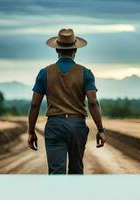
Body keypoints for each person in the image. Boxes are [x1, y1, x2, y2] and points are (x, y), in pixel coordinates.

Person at [27, 28, 107, 174]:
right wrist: (100, 129)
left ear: (57, 49)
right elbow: (93, 103)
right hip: (77, 126)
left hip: (54, 125)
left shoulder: (44, 73)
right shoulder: (86, 73)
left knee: (56, 172)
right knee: (76, 171)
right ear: (75, 49)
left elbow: (34, 104)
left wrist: (31, 131)